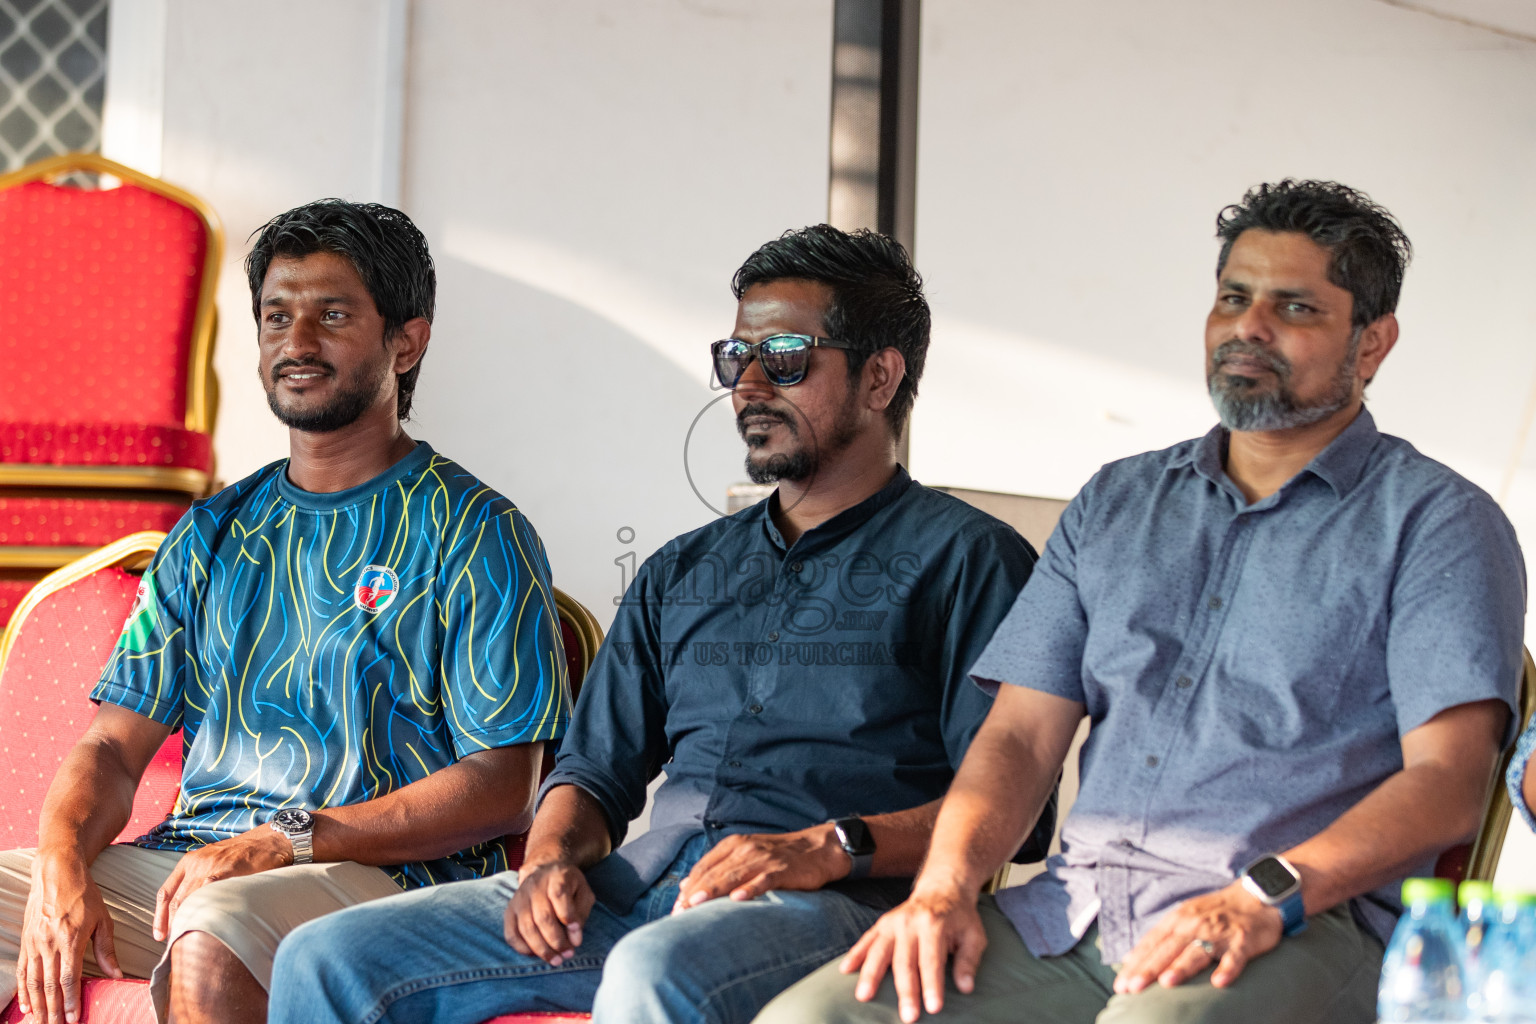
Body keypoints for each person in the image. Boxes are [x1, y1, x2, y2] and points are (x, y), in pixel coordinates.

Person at [755, 180, 1527, 1024]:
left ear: (1372, 344)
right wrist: (941, 890)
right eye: (1233, 296)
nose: (1248, 327)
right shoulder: (1118, 503)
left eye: (1295, 307)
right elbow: (1019, 734)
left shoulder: (1439, 524)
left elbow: (1449, 784)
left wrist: (1265, 896)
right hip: (1075, 912)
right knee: (815, 1017)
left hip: (1297, 924)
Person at [268, 225, 1054, 1024]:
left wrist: (825, 847)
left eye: (783, 357)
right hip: (637, 888)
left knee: (654, 970)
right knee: (326, 956)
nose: (748, 384)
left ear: (879, 376)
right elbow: (591, 771)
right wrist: (548, 863)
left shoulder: (970, 561)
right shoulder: (683, 569)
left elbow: (1015, 813)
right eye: (734, 358)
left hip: (830, 905)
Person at [0, 200, 569, 1024]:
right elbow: (111, 749)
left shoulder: (475, 531)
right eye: (277, 316)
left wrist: (293, 837)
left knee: (215, 930)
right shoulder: (210, 532)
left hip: (382, 881)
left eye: (332, 315)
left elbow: (505, 788)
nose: (296, 343)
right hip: (191, 862)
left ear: (404, 342)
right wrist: (60, 863)